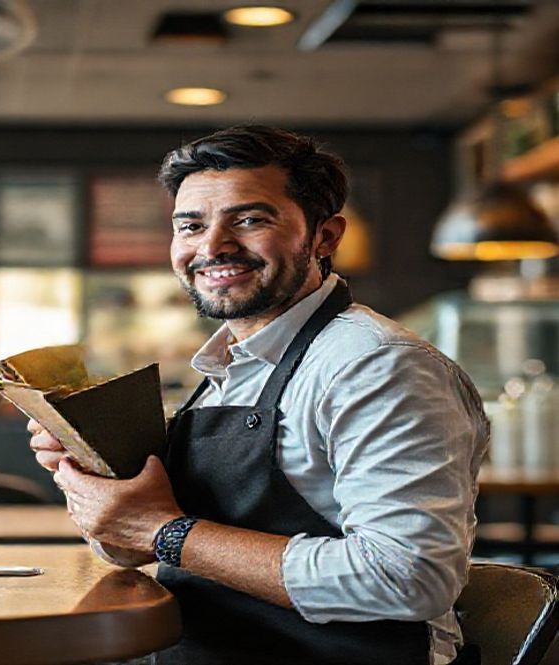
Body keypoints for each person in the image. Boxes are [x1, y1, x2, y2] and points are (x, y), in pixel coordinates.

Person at [27, 126, 489, 665]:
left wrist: (166, 531)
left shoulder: (377, 365)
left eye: (249, 220)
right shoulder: (225, 366)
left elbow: (407, 579)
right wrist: (95, 481)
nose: (213, 246)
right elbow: (136, 547)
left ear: (324, 237)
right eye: (191, 225)